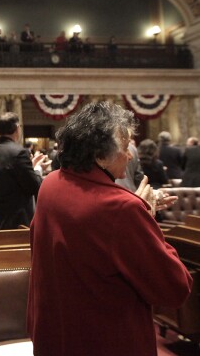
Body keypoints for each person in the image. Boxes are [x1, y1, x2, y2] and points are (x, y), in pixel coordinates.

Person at [27, 101, 192, 356]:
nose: (129, 155)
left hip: (59, 336)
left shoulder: (50, 183)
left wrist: (135, 207)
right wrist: (144, 214)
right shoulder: (122, 210)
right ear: (99, 156)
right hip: (108, 341)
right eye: (125, 148)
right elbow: (175, 288)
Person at [0, 112, 45, 230]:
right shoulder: (19, 152)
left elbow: (11, 174)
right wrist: (38, 169)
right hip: (18, 220)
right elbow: (34, 186)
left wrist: (31, 166)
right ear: (18, 128)